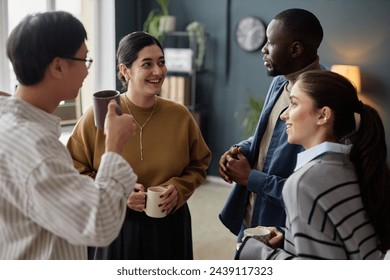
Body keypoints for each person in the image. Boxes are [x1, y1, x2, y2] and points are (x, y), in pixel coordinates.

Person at [0, 11, 138, 259]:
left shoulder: (10, 124)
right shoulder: (34, 146)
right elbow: (99, 224)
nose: (87, 72)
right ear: (58, 66)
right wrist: (114, 144)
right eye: (84, 60)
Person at [66, 31, 211, 260]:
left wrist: (180, 188)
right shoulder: (100, 115)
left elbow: (199, 164)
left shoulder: (180, 115)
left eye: (161, 62)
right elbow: (72, 171)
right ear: (125, 70)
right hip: (114, 226)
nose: (158, 71)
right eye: (147, 64)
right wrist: (117, 193)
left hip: (169, 224)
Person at [237, 70, 390, 259]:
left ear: (323, 115)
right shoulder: (356, 164)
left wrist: (257, 252)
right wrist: (290, 238)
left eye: (293, 104)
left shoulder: (304, 183)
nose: (285, 115)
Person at [219, 8, 326, 243]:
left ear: (295, 49)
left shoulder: (325, 101)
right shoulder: (279, 83)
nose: (263, 49)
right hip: (252, 216)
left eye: (270, 42)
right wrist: (240, 150)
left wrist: (250, 178)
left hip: (283, 231)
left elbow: (312, 192)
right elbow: (266, 136)